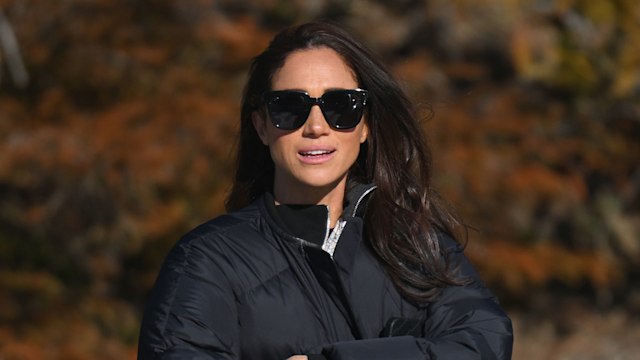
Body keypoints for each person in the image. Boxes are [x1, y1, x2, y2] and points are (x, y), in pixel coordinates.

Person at [137, 21, 513, 360]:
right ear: (262, 126)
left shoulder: (418, 244)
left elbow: (483, 342)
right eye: (290, 107)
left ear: (366, 126)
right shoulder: (206, 262)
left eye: (340, 106)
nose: (316, 126)